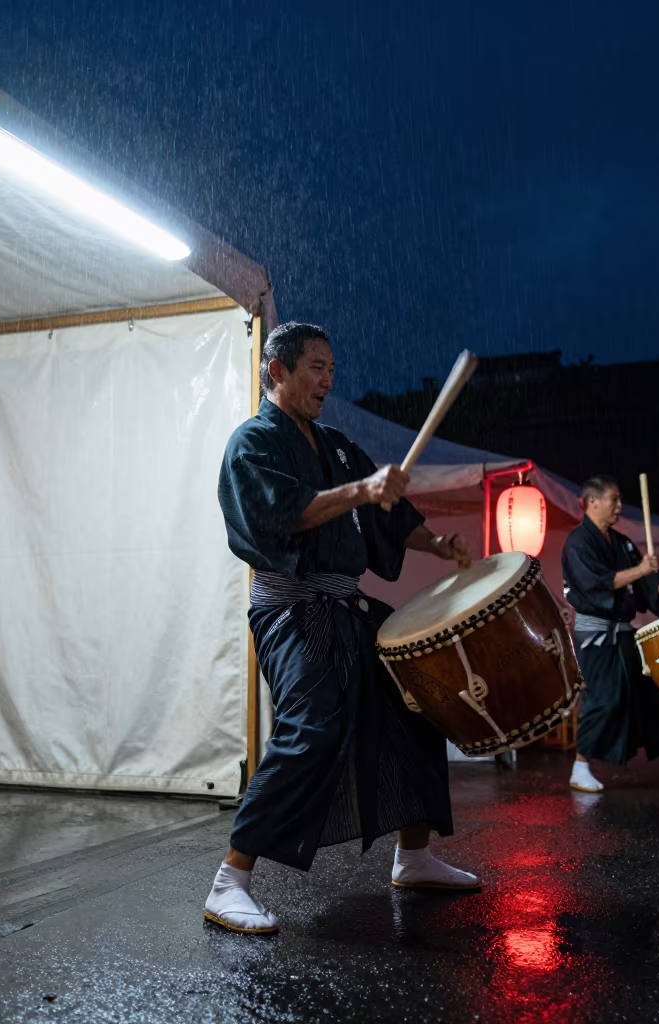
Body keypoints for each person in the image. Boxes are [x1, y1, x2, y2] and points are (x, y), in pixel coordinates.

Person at [203, 322, 479, 934]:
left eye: (332, 369)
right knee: (311, 725)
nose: (328, 380)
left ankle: (415, 855)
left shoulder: (334, 442)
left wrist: (438, 542)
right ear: (277, 371)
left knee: (420, 704)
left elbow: (389, 513)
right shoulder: (252, 443)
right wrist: (360, 490)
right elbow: (288, 513)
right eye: (316, 368)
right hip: (290, 608)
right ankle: (231, 880)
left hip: (346, 605)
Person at [562, 475, 659, 793]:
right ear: (592, 501)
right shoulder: (578, 543)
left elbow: (648, 579)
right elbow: (597, 584)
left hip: (625, 635)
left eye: (620, 500)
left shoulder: (621, 542)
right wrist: (639, 570)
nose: (619, 506)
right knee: (605, 699)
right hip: (596, 638)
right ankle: (580, 767)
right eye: (613, 499)